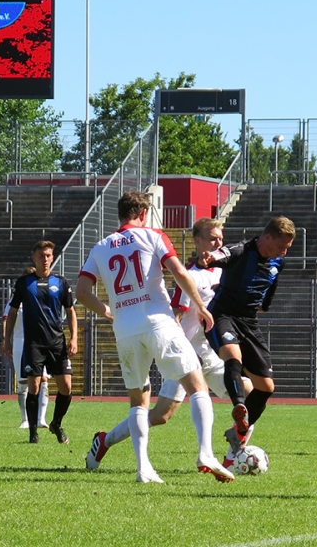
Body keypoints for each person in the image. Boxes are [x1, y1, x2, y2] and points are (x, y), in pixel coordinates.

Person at [76, 192, 234, 483]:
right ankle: (205, 453)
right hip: (159, 322)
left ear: (120, 214)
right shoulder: (153, 235)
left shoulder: (101, 246)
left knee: (138, 401)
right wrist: (200, 306)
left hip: (125, 328)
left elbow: (82, 292)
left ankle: (143, 468)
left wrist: (107, 311)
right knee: (197, 385)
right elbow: (178, 272)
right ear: (143, 213)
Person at [197, 215, 296, 455]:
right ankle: (239, 407)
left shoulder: (277, 263)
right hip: (222, 316)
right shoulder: (241, 250)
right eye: (281, 245)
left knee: (266, 387)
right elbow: (220, 255)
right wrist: (208, 258)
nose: (284, 251)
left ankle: (237, 432)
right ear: (267, 237)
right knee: (233, 357)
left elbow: (266, 302)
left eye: (287, 247)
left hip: (249, 322)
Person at [0, 240, 77, 445]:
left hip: (56, 343)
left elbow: (70, 311)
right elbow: (12, 312)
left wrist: (74, 338)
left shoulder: (61, 282)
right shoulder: (24, 283)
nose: (45, 259)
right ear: (33, 257)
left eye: (48, 255)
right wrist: (7, 339)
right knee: (33, 386)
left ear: (53, 258)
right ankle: (33, 432)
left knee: (66, 387)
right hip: (33, 344)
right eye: (41, 255)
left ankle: (56, 423)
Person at [1, 300, 49, 430]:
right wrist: (5, 340)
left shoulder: (40, 297)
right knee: (23, 381)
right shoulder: (14, 301)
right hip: (20, 343)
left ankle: (41, 419)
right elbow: (6, 319)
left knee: (43, 379)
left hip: (40, 343)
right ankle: (25, 419)